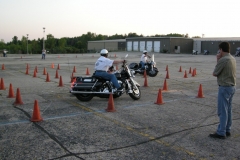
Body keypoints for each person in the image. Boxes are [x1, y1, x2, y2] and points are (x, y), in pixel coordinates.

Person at [209, 42, 236, 139]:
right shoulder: (232, 58)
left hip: (224, 87)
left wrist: (217, 60)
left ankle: (221, 132)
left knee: (222, 111)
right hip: (232, 86)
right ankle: (227, 129)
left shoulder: (223, 60)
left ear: (221, 49)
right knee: (228, 110)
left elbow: (215, 73)